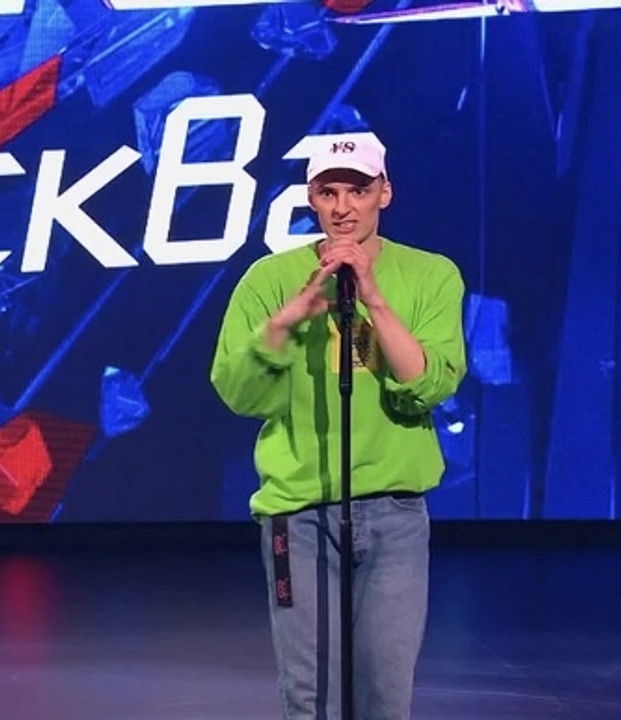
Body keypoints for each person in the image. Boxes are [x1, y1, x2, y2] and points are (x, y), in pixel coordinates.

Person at [209, 133, 466, 720]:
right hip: (297, 512)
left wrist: (372, 296)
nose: (344, 207)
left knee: (385, 696)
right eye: (329, 193)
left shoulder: (431, 274)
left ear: (384, 193)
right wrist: (282, 325)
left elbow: (430, 384)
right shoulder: (270, 279)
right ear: (312, 200)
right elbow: (238, 392)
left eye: (358, 191)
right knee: (310, 699)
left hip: (394, 512)